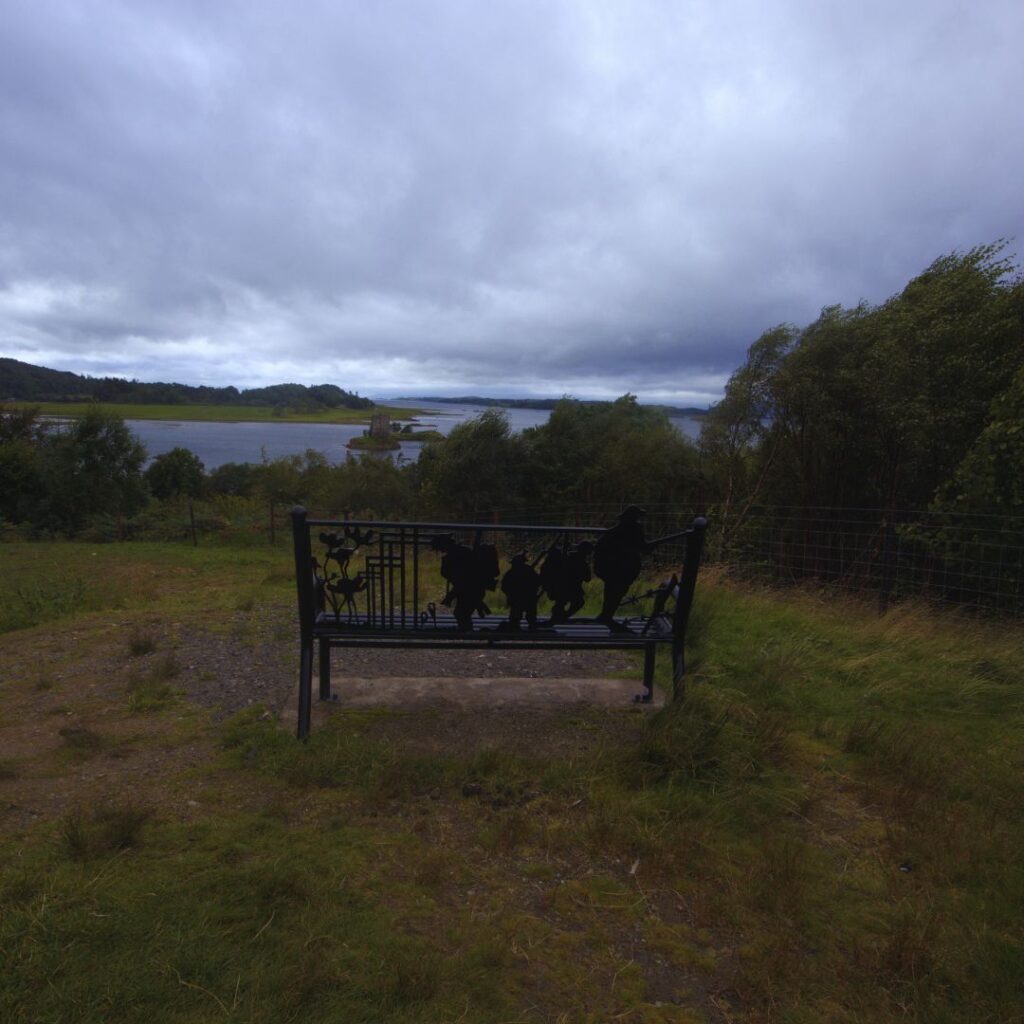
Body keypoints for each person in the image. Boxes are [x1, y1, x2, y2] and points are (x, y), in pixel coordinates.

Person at [594, 506, 651, 630]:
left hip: (614, 568)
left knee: (612, 591)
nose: (638, 519)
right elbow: (643, 547)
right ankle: (606, 616)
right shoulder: (635, 529)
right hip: (624, 568)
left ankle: (606, 615)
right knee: (617, 591)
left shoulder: (613, 532)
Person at [546, 540, 593, 624]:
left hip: (567, 586)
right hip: (568, 587)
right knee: (571, 602)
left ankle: (559, 617)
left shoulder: (570, 558)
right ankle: (560, 617)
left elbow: (587, 578)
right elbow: (587, 578)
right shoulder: (578, 561)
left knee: (564, 603)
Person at [501, 553, 541, 630]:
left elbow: (504, 586)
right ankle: (531, 627)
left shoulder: (511, 573)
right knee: (530, 616)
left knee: (517, 616)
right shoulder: (529, 570)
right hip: (527, 598)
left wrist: (511, 595)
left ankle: (518, 626)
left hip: (518, 598)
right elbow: (537, 582)